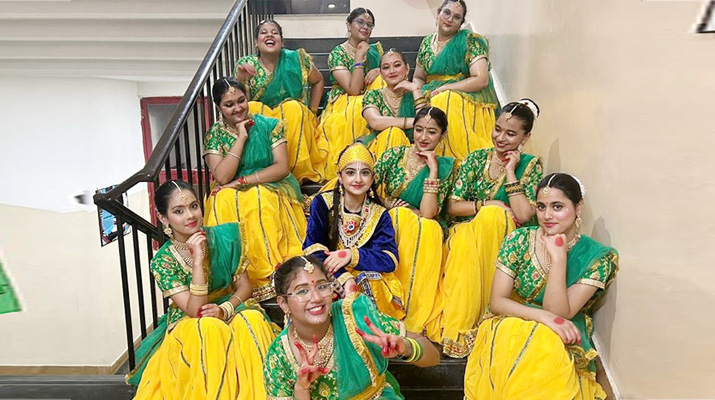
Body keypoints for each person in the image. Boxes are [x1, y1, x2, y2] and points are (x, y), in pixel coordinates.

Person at [464, 173, 618, 400]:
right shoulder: (518, 240)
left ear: (578, 207)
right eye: (541, 207)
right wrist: (544, 318)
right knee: (518, 334)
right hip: (514, 319)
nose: (547, 216)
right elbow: (497, 301)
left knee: (544, 340)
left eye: (557, 207)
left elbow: (559, 313)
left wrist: (559, 259)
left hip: (562, 329)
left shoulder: (596, 257)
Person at [129, 180, 279, 400]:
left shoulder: (226, 237)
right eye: (178, 211)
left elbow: (245, 287)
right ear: (163, 218)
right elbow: (195, 310)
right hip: (191, 321)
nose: (190, 215)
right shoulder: (163, 261)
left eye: (194, 206)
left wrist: (225, 309)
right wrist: (198, 261)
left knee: (252, 320)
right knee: (208, 327)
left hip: (228, 307)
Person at [427, 99, 543, 357]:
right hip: (467, 231)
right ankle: (459, 326)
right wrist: (488, 204)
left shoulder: (530, 165)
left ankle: (483, 318)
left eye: (511, 134)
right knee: (474, 232)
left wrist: (511, 172)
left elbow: (524, 214)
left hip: (506, 240)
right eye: (497, 129)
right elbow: (453, 206)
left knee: (493, 218)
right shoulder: (476, 158)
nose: (500, 138)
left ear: (525, 137)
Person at [264, 255, 440, 400]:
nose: (316, 298)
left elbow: (433, 356)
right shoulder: (279, 356)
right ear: (283, 303)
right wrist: (301, 389)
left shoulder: (355, 316)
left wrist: (406, 348)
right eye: (302, 291)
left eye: (322, 286)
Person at [203, 77, 307, 301]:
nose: (238, 108)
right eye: (229, 104)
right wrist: (241, 137)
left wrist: (242, 182)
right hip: (229, 187)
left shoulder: (270, 125)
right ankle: (237, 274)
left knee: (260, 196)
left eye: (241, 100)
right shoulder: (215, 134)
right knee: (222, 199)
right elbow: (222, 177)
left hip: (270, 183)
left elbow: (281, 167)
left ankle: (272, 270)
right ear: (218, 107)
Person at [372, 107, 457, 336]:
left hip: (425, 228)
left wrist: (433, 170)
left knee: (426, 228)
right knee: (400, 217)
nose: (423, 137)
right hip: (391, 219)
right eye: (419, 130)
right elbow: (368, 188)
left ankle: (412, 308)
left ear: (442, 135)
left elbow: (428, 213)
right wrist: (388, 204)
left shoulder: (446, 167)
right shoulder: (394, 155)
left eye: (432, 132)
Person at [303, 143, 404, 320]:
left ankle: (370, 331)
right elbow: (313, 248)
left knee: (370, 280)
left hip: (363, 274)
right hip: (327, 270)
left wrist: (351, 255)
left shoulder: (379, 214)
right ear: (340, 177)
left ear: (372, 178)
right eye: (350, 173)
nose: (358, 179)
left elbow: (389, 259)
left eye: (364, 173)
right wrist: (344, 278)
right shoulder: (323, 203)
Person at [235, 19, 328, 183]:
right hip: (263, 117)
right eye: (263, 33)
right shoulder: (247, 65)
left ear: (282, 41)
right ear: (256, 42)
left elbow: (318, 80)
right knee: (253, 107)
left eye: (274, 33)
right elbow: (242, 104)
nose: (269, 35)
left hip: (293, 116)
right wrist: (242, 80)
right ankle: (265, 169)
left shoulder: (296, 59)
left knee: (293, 108)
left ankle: (296, 170)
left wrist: (313, 112)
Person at [413, 0, 500, 160]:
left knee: (445, 99)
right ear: (438, 13)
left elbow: (481, 80)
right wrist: (417, 98)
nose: (450, 19)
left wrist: (446, 88)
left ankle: (455, 159)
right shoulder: (426, 43)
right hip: (430, 92)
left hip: (462, 95)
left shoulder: (469, 40)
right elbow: (418, 77)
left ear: (461, 23)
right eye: (447, 13)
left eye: (457, 17)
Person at [319, 7, 384, 179]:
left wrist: (379, 70)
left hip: (370, 100)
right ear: (348, 25)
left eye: (369, 25)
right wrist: (359, 56)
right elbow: (354, 89)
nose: (365, 27)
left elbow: (390, 74)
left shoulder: (376, 51)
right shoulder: (337, 54)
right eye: (360, 22)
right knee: (359, 106)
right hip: (344, 103)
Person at [360, 49, 428, 161]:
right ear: (381, 74)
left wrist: (415, 89)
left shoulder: (419, 95)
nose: (392, 71)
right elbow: (375, 121)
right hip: (380, 150)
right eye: (386, 67)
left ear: (407, 69)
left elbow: (426, 124)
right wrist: (415, 122)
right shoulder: (373, 95)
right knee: (393, 133)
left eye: (397, 65)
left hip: (413, 152)